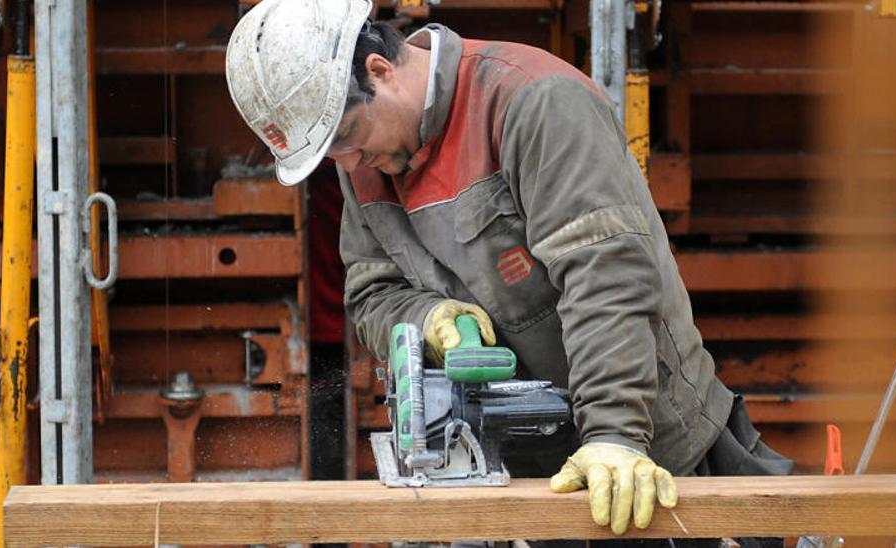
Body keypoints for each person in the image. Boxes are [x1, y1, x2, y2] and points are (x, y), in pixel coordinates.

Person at [224, 0, 793, 540]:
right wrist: (431, 318)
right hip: (522, 475)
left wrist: (616, 435)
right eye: (329, 155)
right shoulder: (366, 161)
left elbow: (605, 276)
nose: (346, 164)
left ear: (380, 71)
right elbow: (372, 292)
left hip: (658, 460)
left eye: (345, 137)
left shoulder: (534, 102)